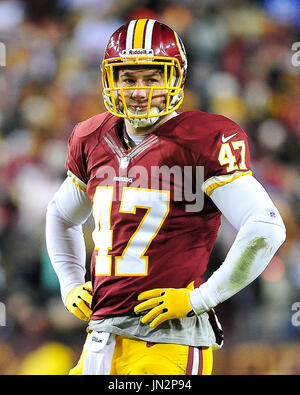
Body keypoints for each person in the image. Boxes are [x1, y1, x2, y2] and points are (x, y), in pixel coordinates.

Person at [45, 19, 286, 375]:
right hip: (100, 337)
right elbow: (61, 215)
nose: (140, 91)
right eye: (129, 79)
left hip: (168, 342)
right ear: (111, 81)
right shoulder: (92, 137)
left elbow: (266, 228)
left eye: (152, 77)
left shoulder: (204, 138)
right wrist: (69, 283)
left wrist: (199, 299)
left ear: (174, 79)